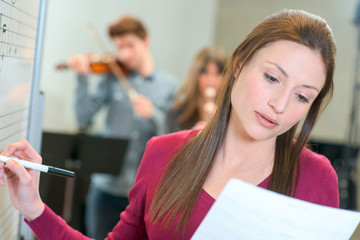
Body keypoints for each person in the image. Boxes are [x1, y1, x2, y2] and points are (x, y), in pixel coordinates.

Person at [0, 9, 339, 240]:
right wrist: (34, 209)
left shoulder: (317, 177)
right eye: (271, 78)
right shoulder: (163, 153)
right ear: (238, 64)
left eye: (302, 97)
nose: (279, 105)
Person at [67, 15, 178, 239]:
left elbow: (175, 139)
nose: (124, 54)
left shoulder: (170, 87)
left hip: (145, 192)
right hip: (105, 189)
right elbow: (83, 118)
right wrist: (81, 78)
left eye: (130, 46)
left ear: (146, 41)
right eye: (119, 47)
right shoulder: (111, 78)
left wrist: (153, 115)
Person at [165, 46, 227, 133]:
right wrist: (190, 137)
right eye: (205, 72)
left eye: (218, 73)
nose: (211, 81)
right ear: (196, 76)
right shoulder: (175, 114)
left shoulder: (229, 116)